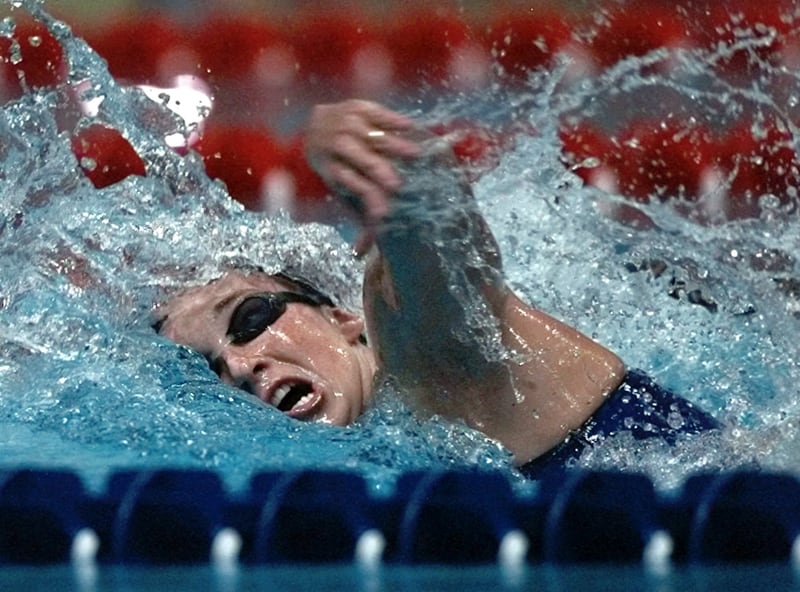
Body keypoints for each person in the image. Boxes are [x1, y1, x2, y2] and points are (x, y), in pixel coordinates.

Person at [155, 100, 719, 479]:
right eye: (207, 370)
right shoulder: (384, 443)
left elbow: (441, 236)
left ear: (342, 318)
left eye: (250, 320)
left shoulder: (432, 363)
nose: (237, 365)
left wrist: (368, 151)